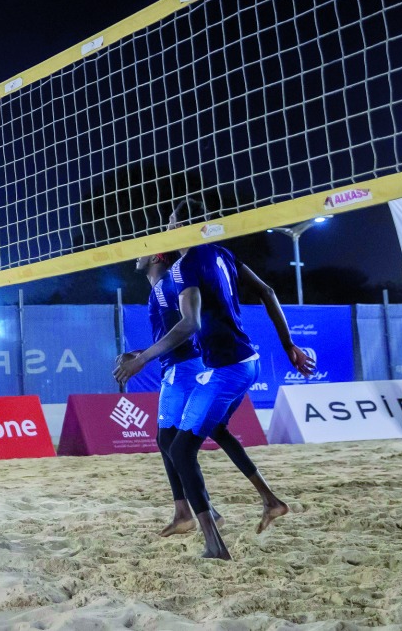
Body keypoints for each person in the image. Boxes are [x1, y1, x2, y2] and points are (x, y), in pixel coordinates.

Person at [114, 200, 314, 559]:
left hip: (221, 369)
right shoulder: (222, 253)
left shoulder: (183, 268)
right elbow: (267, 292)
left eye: (171, 223)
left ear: (183, 228)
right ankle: (267, 502)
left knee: (178, 448)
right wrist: (289, 346)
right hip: (245, 362)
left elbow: (189, 325)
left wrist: (142, 359)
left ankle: (212, 540)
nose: (166, 229)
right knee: (204, 434)